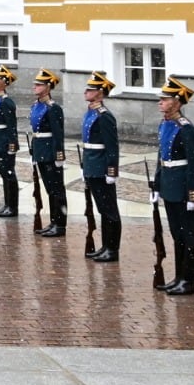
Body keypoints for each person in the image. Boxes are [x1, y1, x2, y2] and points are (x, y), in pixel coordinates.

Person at [152, 76, 194, 295]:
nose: (160, 103)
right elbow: (161, 157)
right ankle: (178, 276)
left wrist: (193, 194)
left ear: (177, 102)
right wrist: (156, 184)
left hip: (182, 186)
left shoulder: (186, 129)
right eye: (161, 99)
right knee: (176, 233)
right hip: (169, 185)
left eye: (165, 99)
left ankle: (188, 280)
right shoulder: (165, 125)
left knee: (189, 234)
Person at [81, 70, 121, 261]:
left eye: (90, 89)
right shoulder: (91, 112)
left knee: (109, 210)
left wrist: (111, 170)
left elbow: (112, 146)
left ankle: (112, 249)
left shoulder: (104, 116)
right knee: (101, 209)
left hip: (102, 167)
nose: (86, 92)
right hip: (92, 165)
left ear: (99, 93)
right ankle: (105, 246)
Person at [31, 69, 68, 237]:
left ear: (48, 87)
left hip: (51, 152)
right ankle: (53, 221)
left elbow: (58, 134)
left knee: (56, 189)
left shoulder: (53, 108)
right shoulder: (37, 105)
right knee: (49, 189)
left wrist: (59, 155)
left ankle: (60, 224)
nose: (35, 86)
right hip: (40, 150)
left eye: (39, 84)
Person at [0, 66, 19, 217]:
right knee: (2, 173)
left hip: (5, 142)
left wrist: (12, 145)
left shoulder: (7, 102)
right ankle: (6, 204)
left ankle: (12, 206)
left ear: (4, 82)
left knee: (8, 174)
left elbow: (11, 126)